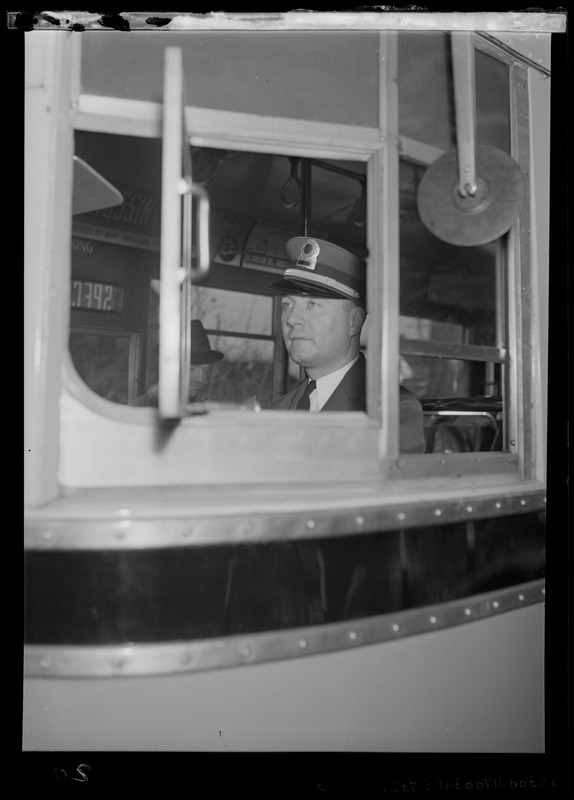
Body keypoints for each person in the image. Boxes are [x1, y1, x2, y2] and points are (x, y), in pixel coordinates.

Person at [269, 236, 426, 454]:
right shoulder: (279, 409)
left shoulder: (392, 411)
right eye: (287, 305)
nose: (291, 318)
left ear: (354, 322)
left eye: (313, 304)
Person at [130, 319, 224, 407]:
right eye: (191, 369)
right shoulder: (141, 409)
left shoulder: (198, 407)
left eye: (205, 371)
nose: (199, 379)